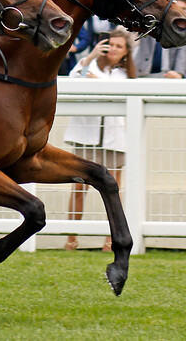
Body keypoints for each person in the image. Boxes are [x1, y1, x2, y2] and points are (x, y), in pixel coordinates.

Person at [63, 27, 136, 251]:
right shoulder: (91, 64)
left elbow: (121, 98)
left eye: (118, 46)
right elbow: (74, 77)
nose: (113, 49)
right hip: (86, 137)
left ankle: (111, 239)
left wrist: (99, 83)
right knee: (78, 188)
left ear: (126, 51)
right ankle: (71, 238)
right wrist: (91, 56)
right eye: (110, 44)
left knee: (113, 192)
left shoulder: (128, 75)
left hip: (114, 140)